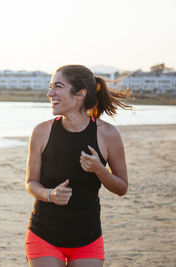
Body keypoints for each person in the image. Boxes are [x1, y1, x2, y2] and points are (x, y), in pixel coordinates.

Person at [25, 64, 130, 267]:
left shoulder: (107, 134)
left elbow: (122, 187)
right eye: (50, 86)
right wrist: (50, 195)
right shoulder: (41, 132)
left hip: (88, 238)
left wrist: (100, 171)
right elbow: (31, 182)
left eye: (58, 86)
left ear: (80, 94)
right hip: (44, 233)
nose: (50, 93)